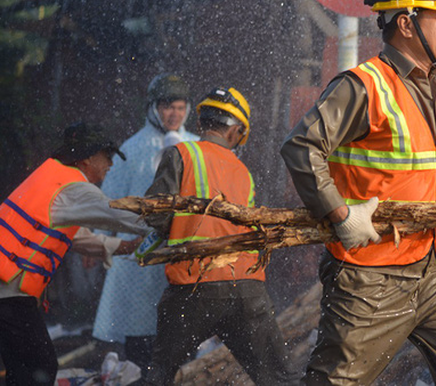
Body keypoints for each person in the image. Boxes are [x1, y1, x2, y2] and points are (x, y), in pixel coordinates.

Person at [281, 0, 436, 385]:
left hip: (433, 268)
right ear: (406, 23)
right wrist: (342, 216)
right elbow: (302, 148)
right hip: (370, 274)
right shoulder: (362, 85)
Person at [143, 87, 297, 385]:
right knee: (278, 378)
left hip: (193, 286)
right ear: (236, 131)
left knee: (160, 375)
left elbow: (156, 215)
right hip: (247, 289)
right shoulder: (243, 171)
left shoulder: (181, 155)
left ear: (202, 123)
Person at [0, 122, 150, 386]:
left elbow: (75, 235)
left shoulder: (53, 177)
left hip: (7, 287)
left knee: (24, 365)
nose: (110, 165)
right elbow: (115, 212)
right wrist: (168, 220)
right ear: (88, 157)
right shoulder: (75, 188)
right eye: (107, 157)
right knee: (40, 365)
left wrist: (122, 247)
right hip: (8, 291)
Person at [93, 73, 198, 370]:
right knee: (141, 336)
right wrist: (98, 242)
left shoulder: (197, 146)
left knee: (180, 332)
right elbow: (109, 201)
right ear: (154, 108)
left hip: (182, 249)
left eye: (179, 108)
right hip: (138, 251)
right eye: (168, 107)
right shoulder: (133, 150)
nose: (174, 114)